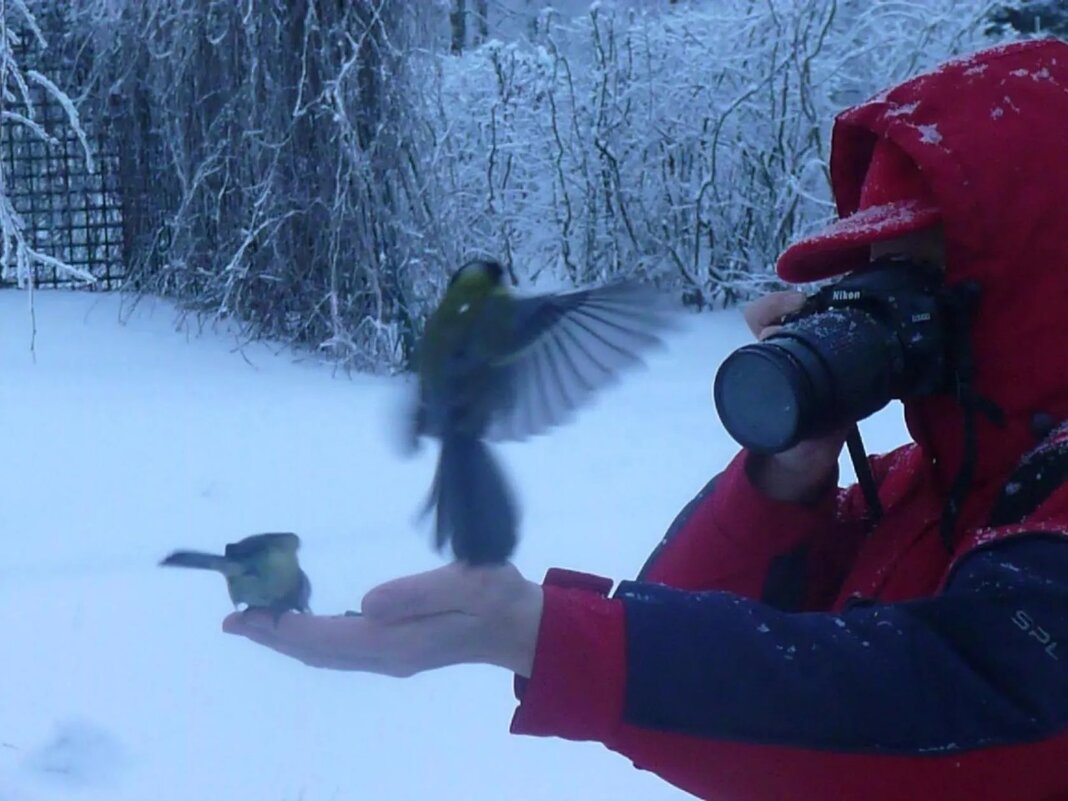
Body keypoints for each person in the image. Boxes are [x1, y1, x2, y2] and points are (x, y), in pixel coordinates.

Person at [223, 39, 1068, 801]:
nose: (898, 319)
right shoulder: (925, 489)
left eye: (924, 281)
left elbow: (961, 701)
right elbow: (693, 622)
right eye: (879, 283)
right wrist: (788, 472)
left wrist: (545, 634)